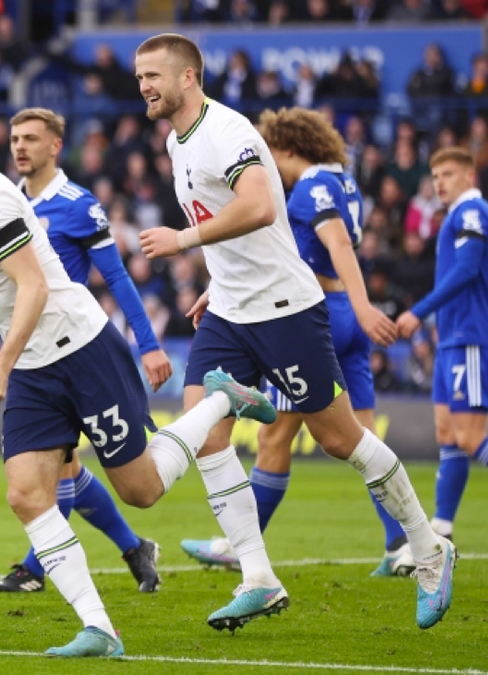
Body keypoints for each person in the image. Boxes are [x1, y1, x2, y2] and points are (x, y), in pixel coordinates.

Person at [0, 95, 279, 657]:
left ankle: (220, 402)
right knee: (25, 494)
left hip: (82, 348)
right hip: (36, 370)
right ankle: (99, 628)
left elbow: (36, 288)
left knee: (140, 491)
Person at [135, 33, 456, 631]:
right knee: (206, 429)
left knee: (342, 440)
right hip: (231, 307)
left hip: (285, 308)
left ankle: (430, 548)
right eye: (139, 78)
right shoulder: (178, 142)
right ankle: (258, 577)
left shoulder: (226, 131)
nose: (144, 87)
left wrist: (181, 242)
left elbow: (258, 205)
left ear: (188, 77)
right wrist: (216, 278)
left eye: (153, 75)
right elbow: (232, 223)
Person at [179, 107, 416, 578]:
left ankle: (239, 546)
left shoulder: (310, 188)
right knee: (360, 438)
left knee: (274, 438)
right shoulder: (347, 183)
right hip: (345, 316)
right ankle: (402, 544)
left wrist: (365, 304)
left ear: (286, 149)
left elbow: (336, 247)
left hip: (312, 314)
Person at [0, 107, 173, 595]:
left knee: (73, 474)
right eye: (15, 138)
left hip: (75, 350)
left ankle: (37, 568)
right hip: (29, 354)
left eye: (30, 139)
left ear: (55, 146)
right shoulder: (3, 202)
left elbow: (118, 277)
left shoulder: (77, 204)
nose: (19, 146)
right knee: (61, 468)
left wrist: (148, 344)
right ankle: (129, 549)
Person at [395, 146, 488, 543]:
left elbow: (468, 270)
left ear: (469, 176)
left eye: (448, 174)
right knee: (447, 435)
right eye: (435, 176)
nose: (440, 183)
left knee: (470, 437)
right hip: (451, 337)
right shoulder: (453, 216)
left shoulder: (472, 211)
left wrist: (420, 311)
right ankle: (443, 527)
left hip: (469, 336)